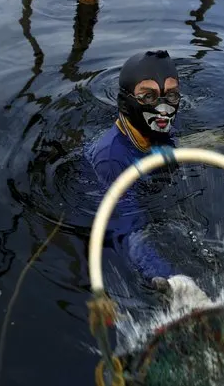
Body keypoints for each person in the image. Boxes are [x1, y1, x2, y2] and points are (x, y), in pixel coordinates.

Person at [85, 49, 183, 283]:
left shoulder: (159, 132)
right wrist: (169, 279)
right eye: (148, 97)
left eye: (171, 96)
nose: (162, 108)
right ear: (124, 102)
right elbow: (127, 232)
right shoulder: (111, 159)